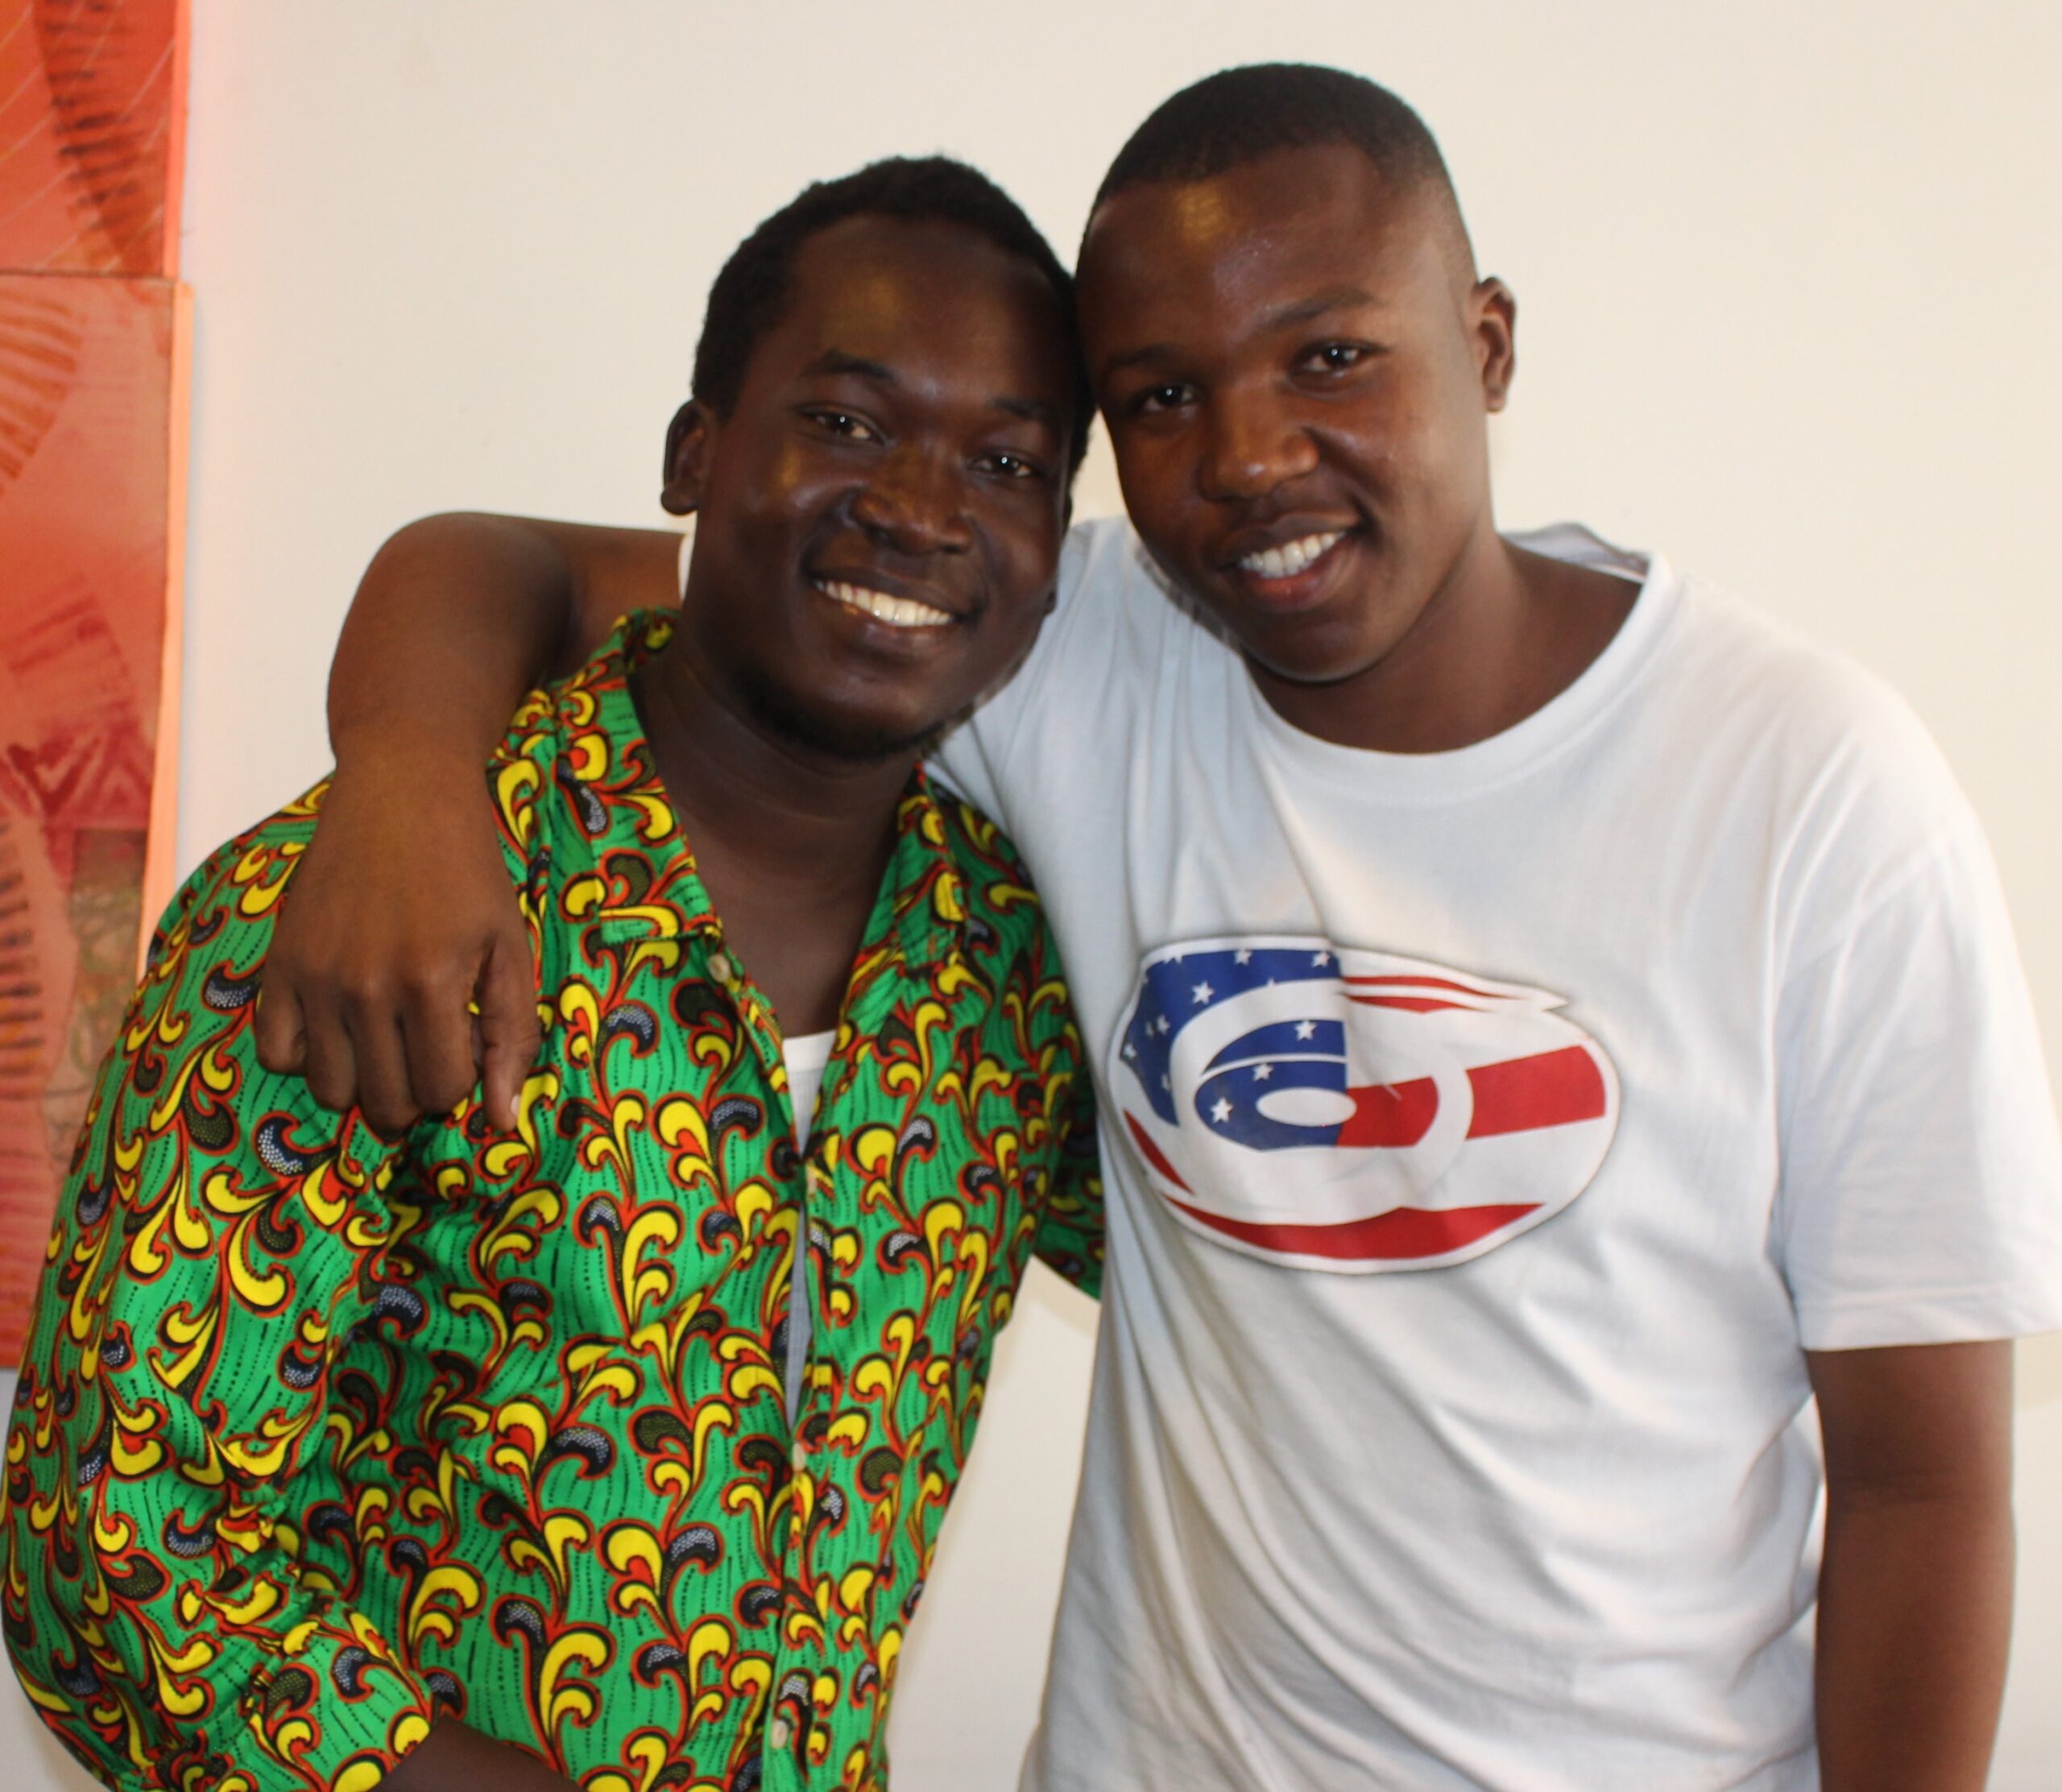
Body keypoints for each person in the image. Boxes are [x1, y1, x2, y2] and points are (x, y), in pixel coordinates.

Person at [258, 65, 2062, 1792]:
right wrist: (410, 773)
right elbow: (525, 565)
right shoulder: (1082, 655)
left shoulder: (1806, 791)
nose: (1250, 456)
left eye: (1331, 356)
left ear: (1487, 344)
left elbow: (1920, 1486)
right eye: (1161, 396)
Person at [1, 157, 1104, 1792]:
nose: (922, 507)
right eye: (849, 421)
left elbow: (1234, 1285)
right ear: (693, 454)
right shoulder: (379, 908)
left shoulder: (1006, 971)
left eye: (1003, 460)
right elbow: (111, 1540)